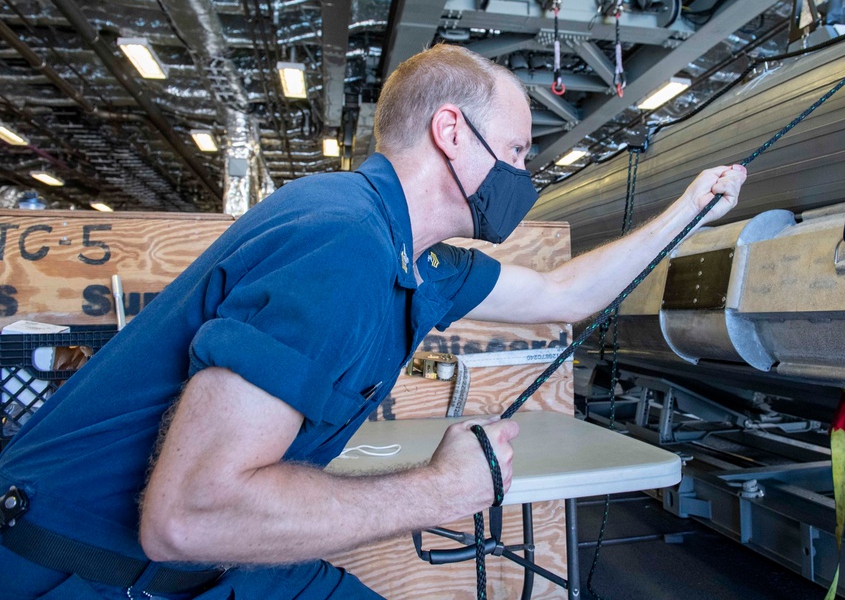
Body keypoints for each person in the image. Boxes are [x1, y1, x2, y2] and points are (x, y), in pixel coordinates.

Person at [0, 44, 746, 599]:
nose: (524, 177)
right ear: (452, 131)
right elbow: (189, 514)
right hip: (74, 566)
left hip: (173, 554)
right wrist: (442, 491)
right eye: (518, 151)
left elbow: (560, 294)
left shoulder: (410, 251)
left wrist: (688, 212)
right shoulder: (343, 244)